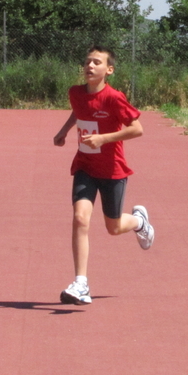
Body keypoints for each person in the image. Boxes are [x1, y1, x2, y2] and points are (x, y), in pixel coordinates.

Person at [53, 46, 154, 305]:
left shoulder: (114, 98)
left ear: (108, 70)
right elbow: (79, 110)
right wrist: (64, 131)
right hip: (85, 166)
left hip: (112, 170)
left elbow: (137, 129)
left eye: (97, 62)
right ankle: (81, 282)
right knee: (80, 218)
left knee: (114, 227)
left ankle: (140, 223)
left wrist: (104, 138)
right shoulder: (75, 92)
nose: (90, 66)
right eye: (87, 61)